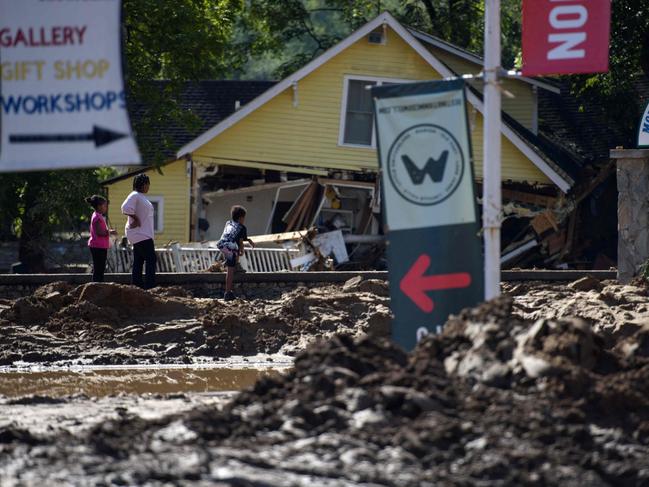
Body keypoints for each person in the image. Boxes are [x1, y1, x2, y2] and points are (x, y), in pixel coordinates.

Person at [121, 174, 157, 289]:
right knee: (151, 259)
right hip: (141, 234)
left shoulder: (139, 196)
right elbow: (125, 207)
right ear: (143, 184)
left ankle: (137, 286)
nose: (148, 186)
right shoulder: (135, 195)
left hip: (141, 234)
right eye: (147, 184)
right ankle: (149, 286)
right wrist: (135, 219)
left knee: (139, 260)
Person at [217, 205, 255, 300]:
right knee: (230, 270)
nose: (244, 220)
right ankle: (228, 292)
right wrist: (242, 250)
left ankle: (232, 263)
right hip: (230, 247)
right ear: (241, 218)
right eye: (244, 218)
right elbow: (240, 241)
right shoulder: (242, 227)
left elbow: (230, 236)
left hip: (221, 244)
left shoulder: (228, 223)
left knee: (233, 252)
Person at [86, 195, 117, 282]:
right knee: (98, 268)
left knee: (100, 267)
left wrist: (109, 231)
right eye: (104, 205)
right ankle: (97, 285)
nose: (106, 207)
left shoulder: (97, 215)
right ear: (99, 206)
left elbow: (101, 230)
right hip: (97, 246)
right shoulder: (97, 217)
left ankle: (99, 284)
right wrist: (110, 232)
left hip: (100, 246)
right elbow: (99, 232)